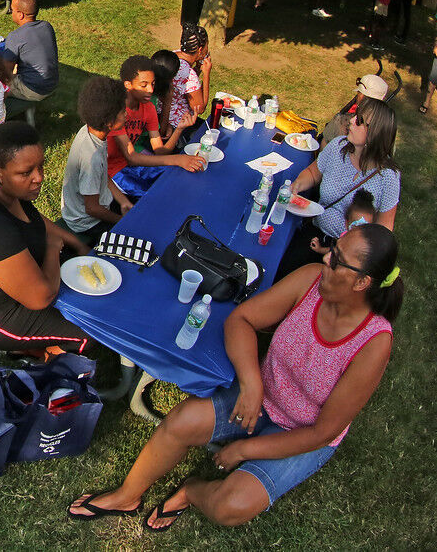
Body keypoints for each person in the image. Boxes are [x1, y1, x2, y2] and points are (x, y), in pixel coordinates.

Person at [69, 224, 402, 531]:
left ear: (362, 282)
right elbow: (241, 320)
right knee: (182, 420)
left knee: (230, 507)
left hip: (303, 432)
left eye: (338, 260)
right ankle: (128, 495)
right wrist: (253, 384)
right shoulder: (312, 279)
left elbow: (321, 432)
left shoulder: (374, 343)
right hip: (261, 397)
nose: (326, 257)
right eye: (333, 249)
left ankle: (191, 491)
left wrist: (244, 450)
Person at [0, 121, 94, 356]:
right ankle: (43, 357)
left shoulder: (0, 185)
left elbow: (34, 218)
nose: (39, 177)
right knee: (89, 333)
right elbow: (41, 297)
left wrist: (78, 244)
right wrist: (53, 249)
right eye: (27, 172)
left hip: (14, 286)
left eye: (41, 166)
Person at [280, 98, 400, 275]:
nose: (351, 120)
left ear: (374, 134)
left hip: (349, 255)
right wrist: (297, 185)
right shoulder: (338, 146)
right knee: (283, 275)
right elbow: (313, 173)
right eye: (355, 116)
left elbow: (384, 230)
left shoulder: (388, 177)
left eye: (359, 121)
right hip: (316, 234)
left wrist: (353, 258)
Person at [108, 55, 205, 200]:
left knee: (176, 176)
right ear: (127, 85)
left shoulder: (148, 108)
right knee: (152, 198)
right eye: (144, 85)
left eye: (153, 84)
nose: (150, 90)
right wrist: (178, 159)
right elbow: (131, 157)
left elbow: (160, 152)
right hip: (113, 171)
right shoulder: (117, 110)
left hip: (135, 164)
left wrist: (179, 129)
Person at [61, 76, 133, 246]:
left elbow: (103, 174)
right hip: (86, 223)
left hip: (95, 205)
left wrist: (122, 201)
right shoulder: (90, 157)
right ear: (109, 122)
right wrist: (119, 221)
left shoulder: (90, 130)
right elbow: (92, 208)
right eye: (123, 112)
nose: (126, 114)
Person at [1, 0, 58, 111]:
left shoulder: (15, 36)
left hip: (33, 89)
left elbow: (5, 73)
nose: (11, 13)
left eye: (12, 10)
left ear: (20, 14)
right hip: (52, 83)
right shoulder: (46, 26)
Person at [167, 23, 212, 132]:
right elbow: (200, 109)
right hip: (176, 123)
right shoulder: (189, 75)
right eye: (207, 46)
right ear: (200, 50)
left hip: (159, 112)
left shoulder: (172, 55)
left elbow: (183, 84)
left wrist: (197, 69)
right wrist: (206, 74)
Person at [322, 73, 389, 145]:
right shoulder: (386, 131)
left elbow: (324, 142)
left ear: (361, 96)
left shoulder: (341, 120)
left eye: (358, 92)